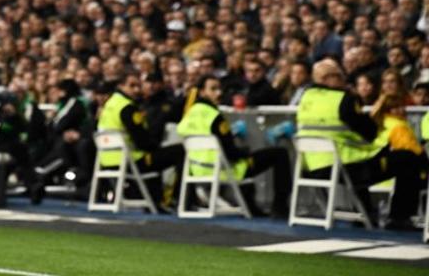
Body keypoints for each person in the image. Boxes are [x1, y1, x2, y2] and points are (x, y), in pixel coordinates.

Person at [296, 58, 426, 230]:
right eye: (339, 76)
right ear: (328, 78)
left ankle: (365, 215)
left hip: (311, 166)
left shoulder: (305, 97)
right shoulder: (344, 99)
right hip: (345, 167)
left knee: (363, 156)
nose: (343, 80)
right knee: (409, 158)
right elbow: (369, 133)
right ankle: (399, 218)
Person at [176, 75, 291, 218]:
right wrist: (244, 152)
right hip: (222, 170)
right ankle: (280, 207)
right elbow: (230, 152)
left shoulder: (189, 114)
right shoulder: (214, 116)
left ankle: (251, 207)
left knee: (245, 158)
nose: (219, 93)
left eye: (219, 89)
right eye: (213, 89)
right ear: (202, 92)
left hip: (197, 170)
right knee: (279, 154)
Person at [95, 72, 184, 209]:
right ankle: (180, 199)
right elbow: (142, 142)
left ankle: (156, 200)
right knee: (180, 151)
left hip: (106, 160)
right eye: (132, 86)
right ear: (121, 85)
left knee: (156, 157)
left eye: (138, 85)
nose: (136, 90)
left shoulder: (110, 104)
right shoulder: (127, 107)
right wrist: (156, 147)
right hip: (130, 161)